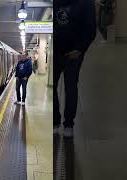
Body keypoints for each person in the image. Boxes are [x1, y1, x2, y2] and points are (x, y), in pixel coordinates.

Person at [55, 0, 96, 137]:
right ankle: (55, 120)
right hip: (56, 51)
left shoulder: (86, 2)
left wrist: (80, 49)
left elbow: (91, 29)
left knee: (70, 87)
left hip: (74, 53)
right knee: (52, 87)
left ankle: (68, 124)